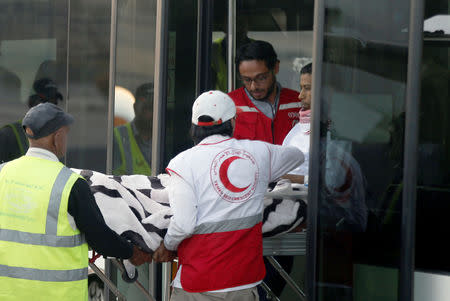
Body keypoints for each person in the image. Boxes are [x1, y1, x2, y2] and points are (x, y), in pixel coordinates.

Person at [152, 90, 304, 301]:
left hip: (198, 284)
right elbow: (296, 156)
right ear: (233, 121)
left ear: (194, 126)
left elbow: (184, 224)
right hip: (243, 282)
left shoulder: (182, 163)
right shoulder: (259, 153)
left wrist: (167, 246)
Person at [0, 103, 151, 301]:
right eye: (66, 134)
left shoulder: (3, 173)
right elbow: (100, 237)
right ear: (57, 136)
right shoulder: (70, 184)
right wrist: (131, 251)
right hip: (57, 296)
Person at [229, 40, 301, 145]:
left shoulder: (298, 103)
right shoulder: (229, 105)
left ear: (276, 68)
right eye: (247, 80)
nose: (253, 87)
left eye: (261, 78)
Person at [0, 78, 63, 163]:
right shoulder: (9, 134)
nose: (51, 108)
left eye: (54, 103)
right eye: (46, 102)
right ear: (33, 102)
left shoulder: (56, 135)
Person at [113, 83, 153, 175]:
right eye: (146, 108)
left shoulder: (166, 140)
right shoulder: (117, 136)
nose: (150, 113)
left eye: (154, 108)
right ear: (135, 108)